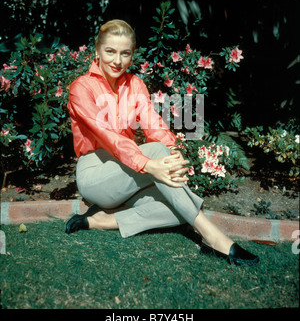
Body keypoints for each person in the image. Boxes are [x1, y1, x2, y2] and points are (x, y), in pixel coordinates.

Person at [65, 19, 259, 266]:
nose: (117, 60)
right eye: (110, 51)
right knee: (160, 160)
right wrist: (149, 163)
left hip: (127, 172)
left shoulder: (135, 84)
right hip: (96, 174)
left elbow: (153, 123)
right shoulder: (81, 87)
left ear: (132, 55)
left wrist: (174, 152)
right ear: (97, 50)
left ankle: (101, 220)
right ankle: (213, 237)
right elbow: (107, 136)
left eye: (125, 53)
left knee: (178, 204)